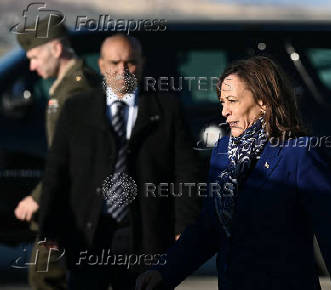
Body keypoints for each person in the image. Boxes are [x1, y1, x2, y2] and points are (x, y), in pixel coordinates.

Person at [136, 56, 331, 290]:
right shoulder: (223, 152)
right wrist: (164, 272)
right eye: (222, 102)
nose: (224, 112)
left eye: (232, 101)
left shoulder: (299, 153)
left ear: (263, 101)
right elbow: (209, 228)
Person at [38, 33, 201, 290]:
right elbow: (57, 170)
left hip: (145, 234)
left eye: (130, 62)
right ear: (101, 65)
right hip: (88, 234)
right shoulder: (76, 109)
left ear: (142, 63)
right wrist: (49, 225)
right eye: (114, 63)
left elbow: (186, 172)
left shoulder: (166, 109)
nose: (122, 70)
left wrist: (184, 226)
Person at [13, 17, 99, 290]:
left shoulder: (77, 89)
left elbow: (74, 156)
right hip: (65, 197)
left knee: (45, 275)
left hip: (71, 201)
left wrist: (39, 198)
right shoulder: (63, 87)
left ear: (57, 49)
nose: (32, 66)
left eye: (35, 57)